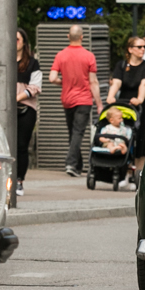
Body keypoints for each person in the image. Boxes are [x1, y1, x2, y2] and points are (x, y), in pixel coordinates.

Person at [107, 35, 145, 189]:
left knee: (142, 139)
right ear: (130, 49)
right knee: (125, 137)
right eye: (139, 47)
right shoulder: (121, 66)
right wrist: (110, 96)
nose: (143, 49)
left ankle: (139, 176)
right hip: (125, 106)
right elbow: (117, 82)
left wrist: (140, 98)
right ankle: (125, 175)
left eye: (144, 47)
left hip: (143, 107)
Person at [51, 25, 100, 177]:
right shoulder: (89, 56)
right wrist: (99, 104)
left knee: (72, 132)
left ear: (68, 37)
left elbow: (52, 78)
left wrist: (63, 82)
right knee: (78, 132)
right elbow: (93, 82)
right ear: (82, 37)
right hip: (84, 99)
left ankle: (78, 165)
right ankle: (71, 163)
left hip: (67, 99)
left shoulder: (60, 55)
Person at [13, 29, 41, 196]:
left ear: (24, 42)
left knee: (21, 146)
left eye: (17, 39)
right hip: (6, 108)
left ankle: (19, 181)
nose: (14, 42)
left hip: (25, 108)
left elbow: (35, 87)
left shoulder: (32, 63)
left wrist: (17, 98)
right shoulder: (3, 59)